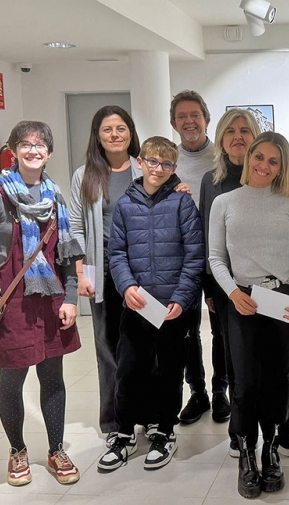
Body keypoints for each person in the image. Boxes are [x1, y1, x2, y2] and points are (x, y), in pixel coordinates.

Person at [0, 120, 84, 486]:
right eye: (25, 144)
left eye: (40, 145)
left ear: (50, 152)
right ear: (13, 151)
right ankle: (17, 450)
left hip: (51, 300)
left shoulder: (56, 197)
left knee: (52, 379)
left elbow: (66, 255)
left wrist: (71, 298)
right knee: (11, 382)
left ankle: (56, 449)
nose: (33, 150)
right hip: (12, 303)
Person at [208, 132, 289, 499]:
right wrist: (233, 292)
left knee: (278, 376)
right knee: (245, 381)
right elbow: (216, 258)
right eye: (259, 156)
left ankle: (271, 447)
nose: (264, 165)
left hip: (282, 298)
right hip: (243, 299)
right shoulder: (224, 202)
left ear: (282, 166)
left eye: (274, 160)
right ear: (248, 155)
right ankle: (246, 453)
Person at [98, 136, 204, 471]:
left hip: (173, 307)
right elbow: (116, 253)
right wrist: (126, 285)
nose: (158, 169)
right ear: (140, 162)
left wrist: (181, 298)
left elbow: (194, 255)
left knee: (169, 371)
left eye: (166, 164)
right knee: (130, 369)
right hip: (138, 305)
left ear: (174, 167)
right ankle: (125, 433)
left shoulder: (183, 203)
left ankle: (164, 431)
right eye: (152, 162)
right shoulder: (125, 205)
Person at [68, 106, 141, 444]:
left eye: (121, 127)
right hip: (103, 268)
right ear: (97, 135)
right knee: (108, 347)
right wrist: (82, 272)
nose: (115, 134)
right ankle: (113, 422)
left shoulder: (146, 167)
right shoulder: (85, 175)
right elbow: (76, 228)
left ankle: (146, 416)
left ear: (130, 132)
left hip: (143, 269)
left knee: (144, 345)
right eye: (107, 129)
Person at [170, 90, 228, 425]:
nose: (189, 121)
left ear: (206, 118)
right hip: (182, 261)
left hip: (218, 258)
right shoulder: (169, 161)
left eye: (195, 115)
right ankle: (198, 392)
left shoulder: (221, 157)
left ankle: (221, 391)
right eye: (182, 116)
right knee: (187, 332)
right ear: (174, 123)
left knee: (221, 331)